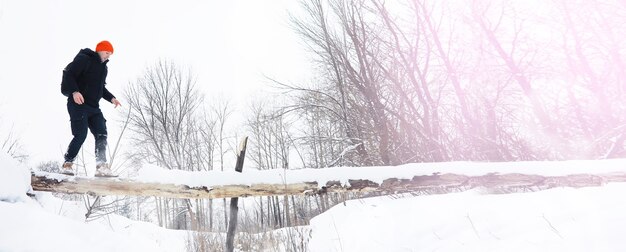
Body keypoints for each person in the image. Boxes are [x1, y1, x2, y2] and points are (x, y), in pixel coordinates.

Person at [60, 40, 122, 177]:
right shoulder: (84, 59)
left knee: (102, 133)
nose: (108, 56)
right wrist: (75, 91)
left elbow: (101, 88)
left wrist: (112, 98)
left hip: (94, 107)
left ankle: (101, 167)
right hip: (78, 104)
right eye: (107, 53)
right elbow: (68, 74)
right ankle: (67, 164)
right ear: (100, 50)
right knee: (81, 134)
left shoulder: (104, 68)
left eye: (110, 54)